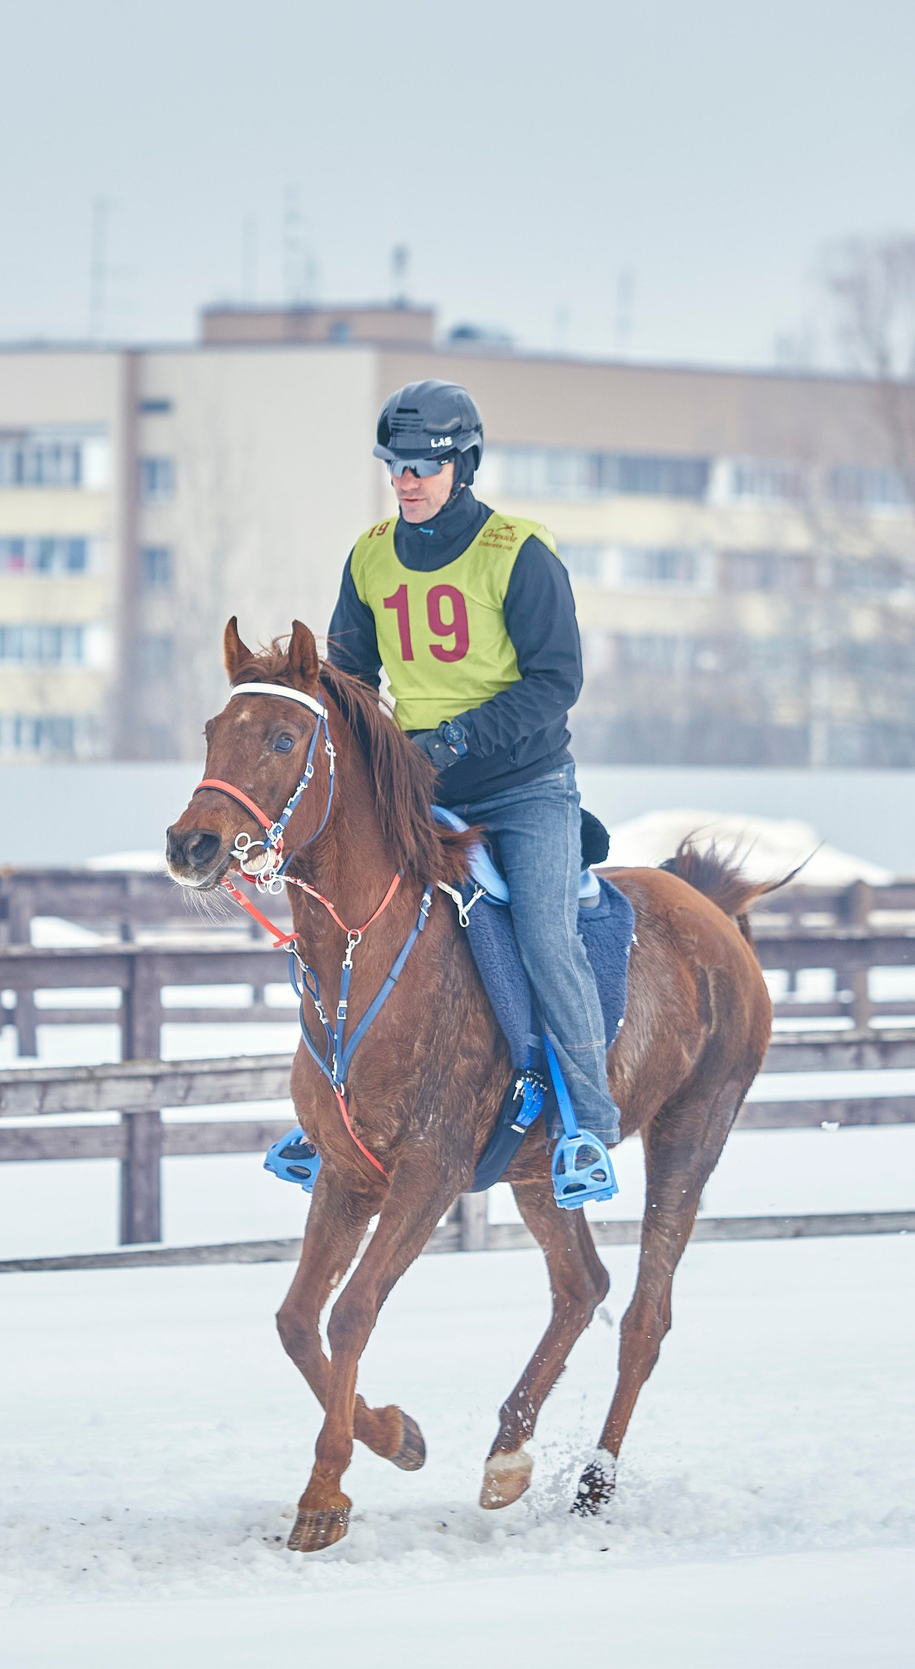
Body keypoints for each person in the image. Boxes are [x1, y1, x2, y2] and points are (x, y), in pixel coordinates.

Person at [325, 379, 624, 1167]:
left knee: (547, 937)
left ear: (465, 464)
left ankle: (589, 1124)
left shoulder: (518, 553)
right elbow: (349, 679)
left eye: (423, 465)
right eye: (394, 465)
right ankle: (329, 1116)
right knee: (342, 910)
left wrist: (455, 740)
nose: (405, 481)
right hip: (416, 787)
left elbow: (556, 681)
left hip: (524, 787)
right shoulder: (369, 556)